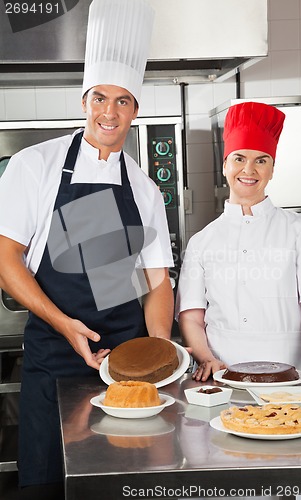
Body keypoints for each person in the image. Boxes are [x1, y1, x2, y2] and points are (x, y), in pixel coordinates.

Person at [0, 0, 174, 496]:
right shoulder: (36, 166)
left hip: (127, 367)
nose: (110, 112)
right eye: (100, 97)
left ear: (136, 110)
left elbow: (158, 283)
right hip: (55, 358)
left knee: (122, 481)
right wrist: (63, 324)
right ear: (84, 101)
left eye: (123, 101)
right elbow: (4, 258)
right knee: (49, 482)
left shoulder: (141, 188)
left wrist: (158, 348)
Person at [176, 101, 301, 385]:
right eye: (239, 158)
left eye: (261, 160)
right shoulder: (202, 241)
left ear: (272, 169)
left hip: (294, 374)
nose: (249, 169)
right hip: (222, 375)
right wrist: (206, 357)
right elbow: (191, 315)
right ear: (225, 166)